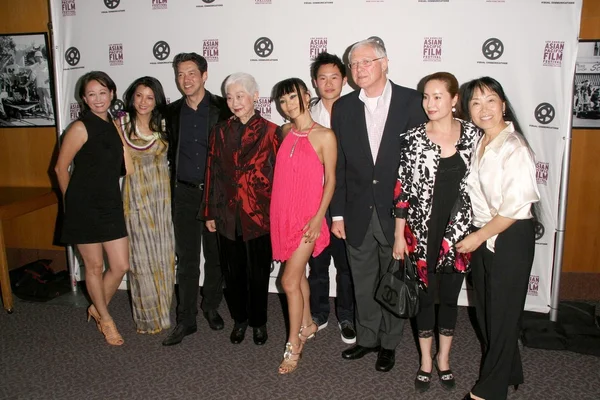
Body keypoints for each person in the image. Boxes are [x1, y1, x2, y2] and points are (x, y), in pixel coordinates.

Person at [330, 38, 427, 372]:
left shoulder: (412, 102)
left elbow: (418, 166)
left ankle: (389, 343)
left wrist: (411, 214)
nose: (359, 69)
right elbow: (339, 164)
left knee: (394, 279)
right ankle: (368, 338)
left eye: (366, 62)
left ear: (385, 63)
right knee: (363, 278)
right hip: (356, 213)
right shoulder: (343, 108)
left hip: (396, 215)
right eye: (354, 64)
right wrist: (337, 213)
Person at [391, 72, 480, 392]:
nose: (430, 103)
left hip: (459, 234)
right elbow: (402, 191)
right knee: (425, 301)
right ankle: (426, 362)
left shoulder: (474, 135)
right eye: (426, 97)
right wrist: (399, 236)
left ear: (455, 99)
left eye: (438, 96)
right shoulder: (413, 138)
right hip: (421, 235)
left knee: (450, 301)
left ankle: (445, 360)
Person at [456, 77, 540, 400]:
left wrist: (477, 238)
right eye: (475, 103)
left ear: (503, 105)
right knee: (489, 315)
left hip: (509, 237)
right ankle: (510, 371)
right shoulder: (481, 142)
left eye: (490, 101)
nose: (483, 109)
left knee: (502, 317)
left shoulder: (514, 147)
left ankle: (489, 392)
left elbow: (516, 208)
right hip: (485, 236)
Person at [204, 72, 281, 346]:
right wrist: (209, 212)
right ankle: (240, 320)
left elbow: (281, 178)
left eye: (240, 96)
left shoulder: (273, 132)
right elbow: (212, 171)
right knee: (232, 272)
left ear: (255, 96)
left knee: (258, 272)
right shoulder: (220, 131)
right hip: (226, 214)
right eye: (229, 97)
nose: (234, 102)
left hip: (260, 214)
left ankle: (259, 322)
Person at [55, 71, 129, 346]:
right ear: (84, 99)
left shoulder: (114, 124)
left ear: (111, 93)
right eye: (91, 94)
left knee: (121, 265)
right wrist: (71, 202)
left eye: (102, 92)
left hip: (110, 204)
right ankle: (107, 320)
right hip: (83, 206)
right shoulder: (79, 128)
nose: (98, 99)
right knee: (94, 267)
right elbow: (61, 169)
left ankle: (96, 309)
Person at [162, 52, 232, 346]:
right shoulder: (171, 111)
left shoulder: (222, 108)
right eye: (180, 74)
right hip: (184, 194)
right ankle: (186, 319)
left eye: (191, 73)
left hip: (215, 195)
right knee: (187, 260)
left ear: (205, 75)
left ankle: (211, 306)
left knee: (215, 258)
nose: (185, 79)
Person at [271, 78, 337, 374]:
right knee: (297, 278)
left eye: (292, 98)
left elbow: (331, 181)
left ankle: (294, 344)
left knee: (287, 281)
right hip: (283, 215)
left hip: (308, 220)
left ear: (306, 96)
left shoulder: (325, 136)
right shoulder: (285, 131)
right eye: (282, 101)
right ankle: (309, 324)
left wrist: (317, 217)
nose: (287, 105)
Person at [118, 76, 175, 334]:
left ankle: (163, 315)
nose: (143, 102)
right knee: (140, 259)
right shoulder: (121, 124)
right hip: (135, 197)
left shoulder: (165, 123)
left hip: (161, 198)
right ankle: (146, 319)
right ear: (132, 97)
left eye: (149, 97)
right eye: (139, 96)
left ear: (157, 100)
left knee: (163, 256)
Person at [307, 52, 356, 344]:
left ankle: (347, 316)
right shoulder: (308, 113)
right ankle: (318, 313)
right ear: (315, 82)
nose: (328, 83)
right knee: (317, 262)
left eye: (334, 77)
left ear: (345, 80)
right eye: (322, 78)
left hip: (347, 202)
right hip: (314, 201)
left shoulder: (356, 111)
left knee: (347, 264)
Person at [29, 51, 54, 119]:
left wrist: (49, 79)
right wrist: (20, 67)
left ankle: (51, 113)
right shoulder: (36, 65)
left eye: (37, 57)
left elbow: (52, 71)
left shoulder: (46, 63)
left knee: (48, 99)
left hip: (45, 85)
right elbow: (29, 68)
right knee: (42, 100)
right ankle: (45, 112)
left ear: (40, 56)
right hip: (39, 85)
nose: (36, 59)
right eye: (35, 58)